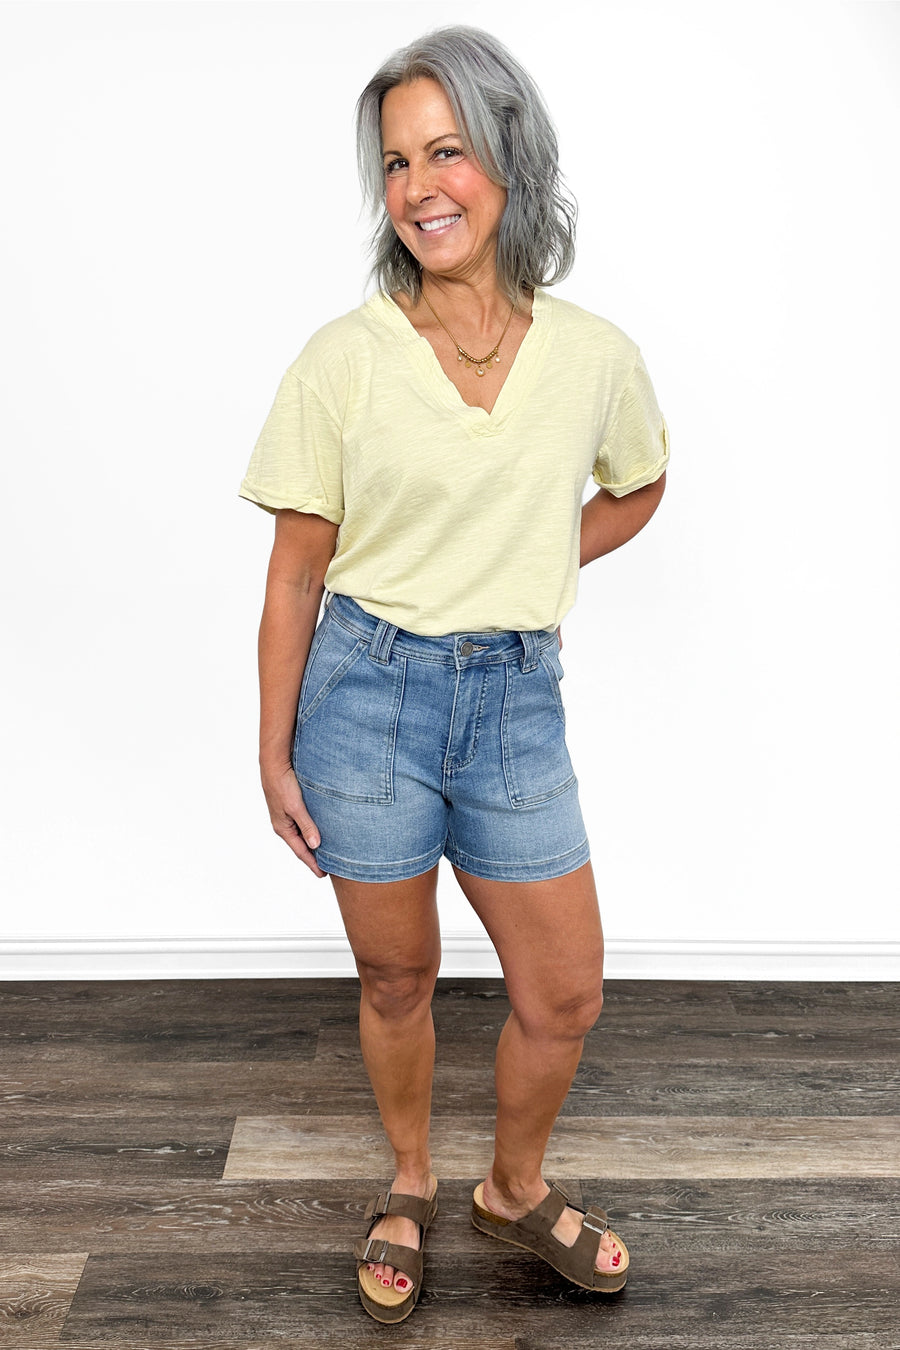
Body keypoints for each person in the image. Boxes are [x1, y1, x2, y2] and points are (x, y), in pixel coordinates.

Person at [240, 25, 668, 1324]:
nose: (422, 184)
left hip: (514, 700)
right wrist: (271, 747)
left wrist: (537, 556)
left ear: (507, 161)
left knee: (564, 989)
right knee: (396, 977)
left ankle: (511, 1185)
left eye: (449, 151)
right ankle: (415, 1181)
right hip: (362, 697)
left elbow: (639, 484)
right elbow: (295, 576)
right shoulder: (344, 359)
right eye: (396, 162)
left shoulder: (591, 355)